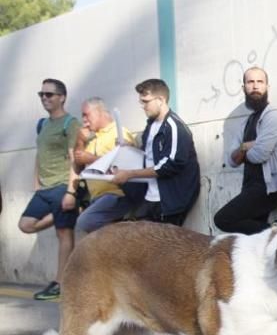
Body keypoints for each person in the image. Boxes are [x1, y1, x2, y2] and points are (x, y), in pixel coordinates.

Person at [18, 79, 81, 300]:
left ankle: (61, 283)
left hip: (62, 185)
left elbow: (76, 159)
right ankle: (58, 215)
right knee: (25, 225)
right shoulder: (42, 124)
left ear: (62, 97)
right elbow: (39, 154)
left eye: (49, 94)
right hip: (44, 189)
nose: (44, 98)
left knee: (64, 233)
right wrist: (35, 181)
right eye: (41, 94)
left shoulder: (70, 123)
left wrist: (72, 192)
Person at [111, 79, 201, 226]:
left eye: (146, 101)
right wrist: (129, 148)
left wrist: (129, 174)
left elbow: (169, 165)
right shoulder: (151, 124)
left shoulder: (174, 127)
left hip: (170, 202)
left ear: (161, 100)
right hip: (151, 198)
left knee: (166, 247)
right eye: (141, 102)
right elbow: (150, 156)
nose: (143, 106)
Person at [214, 67, 277, 235]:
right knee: (254, 238)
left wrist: (245, 150)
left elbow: (259, 155)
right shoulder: (247, 121)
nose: (255, 86)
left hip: (269, 188)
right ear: (244, 88)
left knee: (223, 219)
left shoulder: (273, 116)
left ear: (267, 87)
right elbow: (232, 161)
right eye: (250, 82)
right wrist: (245, 146)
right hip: (250, 185)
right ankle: (272, 234)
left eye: (260, 82)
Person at [72, 97, 138, 235]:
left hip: (117, 194)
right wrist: (80, 141)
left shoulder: (119, 133)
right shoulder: (93, 139)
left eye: (86, 114)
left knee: (85, 221)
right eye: (82, 115)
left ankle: (131, 236)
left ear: (100, 112)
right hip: (97, 197)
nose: (84, 120)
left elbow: (124, 168)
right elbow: (77, 168)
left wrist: (92, 159)